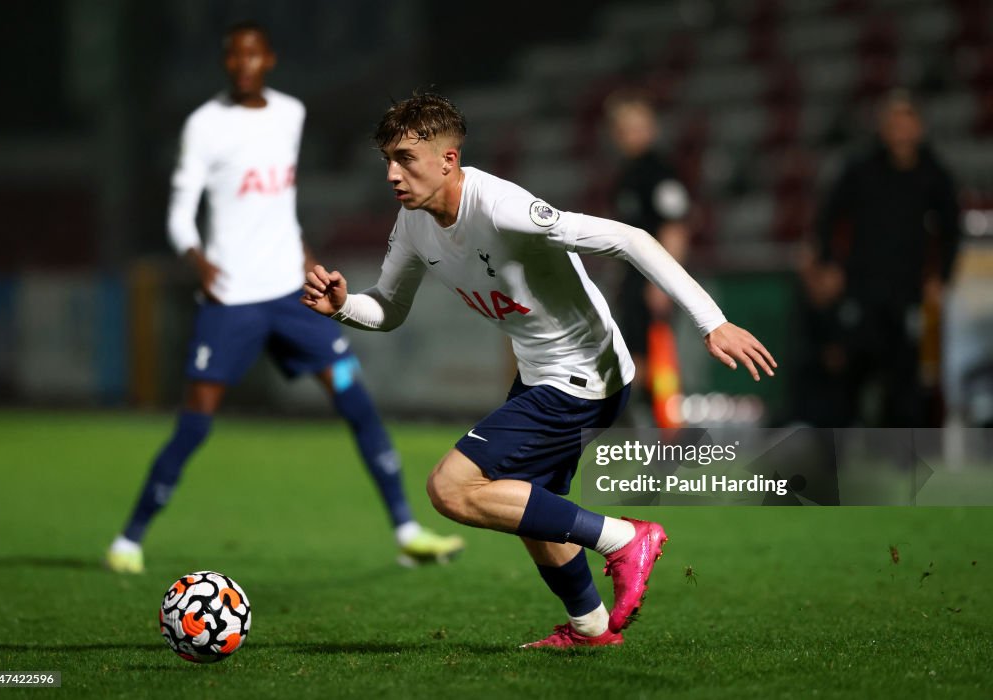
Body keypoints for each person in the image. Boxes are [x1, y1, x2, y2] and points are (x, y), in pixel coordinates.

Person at [302, 92, 775, 647]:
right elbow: (388, 308)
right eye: (388, 159)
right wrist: (344, 306)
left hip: (584, 378)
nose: (392, 174)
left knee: (450, 489)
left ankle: (624, 539)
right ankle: (591, 628)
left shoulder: (502, 207)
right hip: (542, 373)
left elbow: (631, 239)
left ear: (448, 161)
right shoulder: (413, 224)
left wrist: (710, 321)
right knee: (530, 510)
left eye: (405, 158)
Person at [105, 23, 464, 574]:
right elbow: (180, 214)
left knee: (354, 399)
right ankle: (129, 540)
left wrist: (302, 256)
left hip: (290, 292)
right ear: (227, 62)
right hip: (231, 297)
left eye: (254, 53)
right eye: (235, 55)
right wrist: (200, 265)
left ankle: (407, 531)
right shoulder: (204, 125)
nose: (245, 63)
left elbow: (278, 204)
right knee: (196, 421)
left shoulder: (289, 114)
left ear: (269, 59)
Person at [800, 89, 962, 427]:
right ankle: (837, 453)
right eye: (893, 122)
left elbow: (951, 230)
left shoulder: (934, 174)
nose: (900, 130)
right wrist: (828, 263)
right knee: (850, 369)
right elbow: (829, 217)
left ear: (919, 127)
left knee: (905, 376)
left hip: (907, 290)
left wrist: (941, 278)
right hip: (862, 286)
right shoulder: (860, 169)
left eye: (907, 121)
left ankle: (903, 460)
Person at [604, 90, 692, 427]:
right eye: (625, 129)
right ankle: (640, 429)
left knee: (657, 355)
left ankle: (670, 429)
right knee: (634, 353)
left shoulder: (660, 172)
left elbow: (676, 226)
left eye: (638, 127)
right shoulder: (626, 173)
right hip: (631, 277)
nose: (632, 135)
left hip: (652, 277)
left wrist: (664, 282)